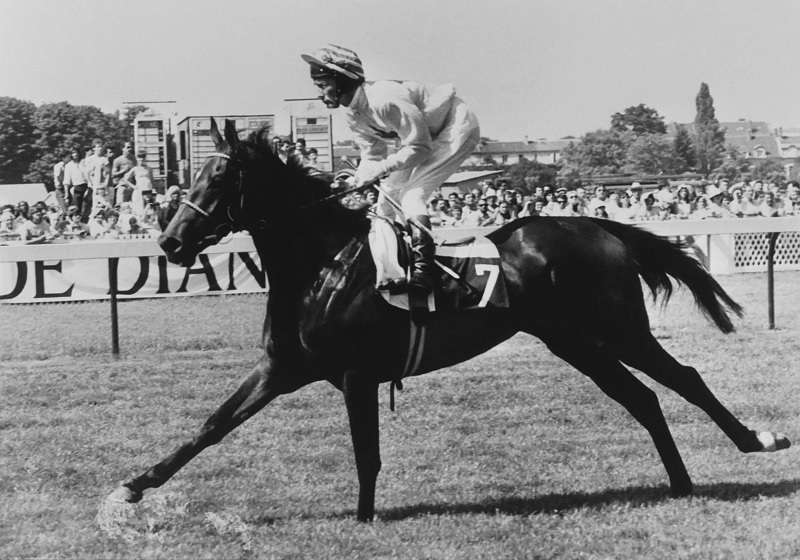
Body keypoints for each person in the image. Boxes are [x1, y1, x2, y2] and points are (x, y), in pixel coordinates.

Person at [302, 43, 480, 296]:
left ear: (342, 79)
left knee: (412, 196)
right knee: (384, 203)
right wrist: (359, 181)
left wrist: (379, 169)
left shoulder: (384, 99)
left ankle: (423, 272)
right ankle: (391, 272)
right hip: (426, 138)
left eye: (322, 85)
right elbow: (372, 155)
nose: (319, 93)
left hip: (456, 127)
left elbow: (420, 148)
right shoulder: (352, 113)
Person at [63, 146, 92, 222]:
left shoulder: (85, 162)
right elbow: (66, 181)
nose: (75, 154)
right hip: (76, 187)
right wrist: (66, 194)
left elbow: (89, 176)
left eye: (76, 152)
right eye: (73, 153)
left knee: (87, 208)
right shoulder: (68, 166)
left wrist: (89, 188)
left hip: (87, 186)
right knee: (76, 209)